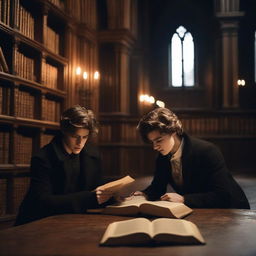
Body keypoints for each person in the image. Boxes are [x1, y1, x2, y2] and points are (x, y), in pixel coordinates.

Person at [15, 105, 114, 225]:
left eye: (84, 137)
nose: (80, 143)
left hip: (74, 220)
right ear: (64, 131)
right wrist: (90, 199)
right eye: (74, 137)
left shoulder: (93, 154)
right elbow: (43, 202)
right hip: (38, 222)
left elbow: (95, 184)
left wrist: (115, 192)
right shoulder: (42, 158)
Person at [133, 107, 250, 209]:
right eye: (152, 142)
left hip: (233, 210)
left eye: (159, 140)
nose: (155, 147)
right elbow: (157, 187)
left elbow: (223, 195)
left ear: (173, 131)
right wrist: (144, 194)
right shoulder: (162, 157)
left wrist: (184, 199)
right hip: (200, 210)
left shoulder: (207, 151)